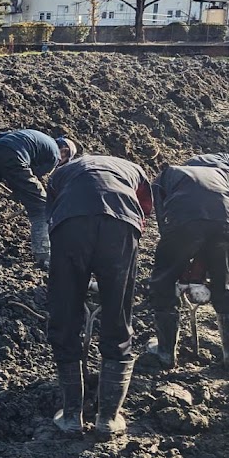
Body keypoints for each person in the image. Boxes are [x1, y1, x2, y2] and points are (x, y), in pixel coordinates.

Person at [46, 153, 153, 437]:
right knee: (118, 316)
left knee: (65, 314)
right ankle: (108, 418)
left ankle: (71, 416)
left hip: (70, 226)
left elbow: (52, 212)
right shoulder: (135, 170)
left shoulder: (62, 173)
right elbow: (144, 211)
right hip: (121, 226)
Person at [147, 153, 229, 369]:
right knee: (224, 282)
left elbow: (163, 220)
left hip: (184, 219)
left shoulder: (169, 173)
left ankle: (165, 353)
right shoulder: (226, 173)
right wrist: (200, 270)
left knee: (164, 281)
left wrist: (181, 265)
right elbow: (221, 215)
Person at [0, 130, 78, 269]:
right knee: (41, 207)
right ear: (64, 152)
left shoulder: (33, 136)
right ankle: (43, 255)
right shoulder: (54, 156)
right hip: (15, 157)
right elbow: (31, 175)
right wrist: (19, 191)